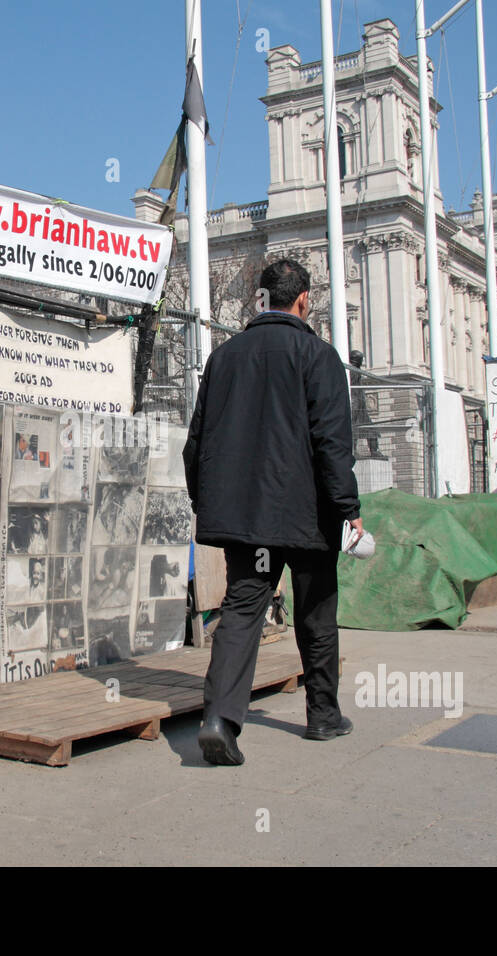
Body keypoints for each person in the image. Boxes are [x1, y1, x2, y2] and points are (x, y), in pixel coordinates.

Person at [183, 258, 364, 766]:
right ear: (303, 300)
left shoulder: (224, 358)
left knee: (242, 610)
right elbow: (332, 444)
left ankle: (220, 720)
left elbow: (196, 444)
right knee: (316, 611)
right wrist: (348, 508)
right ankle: (323, 716)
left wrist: (205, 502)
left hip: (249, 521)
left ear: (260, 298)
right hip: (307, 517)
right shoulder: (319, 356)